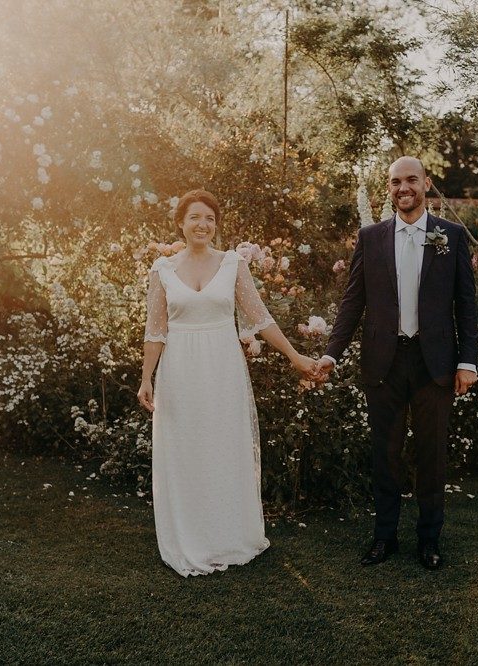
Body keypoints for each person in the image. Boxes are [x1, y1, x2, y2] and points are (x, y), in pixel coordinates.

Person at [137, 189, 317, 577]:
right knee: (186, 448)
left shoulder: (233, 263)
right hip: (180, 368)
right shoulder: (162, 270)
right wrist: (146, 378)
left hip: (222, 367)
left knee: (222, 445)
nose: (203, 225)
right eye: (195, 217)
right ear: (181, 223)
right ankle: (191, 537)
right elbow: (156, 331)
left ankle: (227, 533)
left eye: (210, 219)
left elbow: (260, 318)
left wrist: (295, 357)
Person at [315, 157, 478, 571]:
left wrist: (468, 362)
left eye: (411, 180)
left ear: (426, 184)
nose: (403, 188)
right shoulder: (370, 237)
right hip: (383, 362)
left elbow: (466, 304)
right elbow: (353, 301)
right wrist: (332, 352)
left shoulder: (451, 235)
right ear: (387, 189)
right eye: (394, 182)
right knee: (384, 455)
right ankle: (384, 537)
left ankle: (429, 540)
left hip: (434, 362)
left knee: (432, 455)